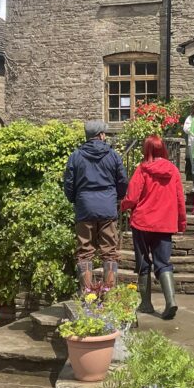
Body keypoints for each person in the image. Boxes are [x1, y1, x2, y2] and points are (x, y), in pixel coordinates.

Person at [120, 135, 187, 320]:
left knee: (143, 264)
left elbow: (132, 197)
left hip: (142, 223)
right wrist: (181, 222)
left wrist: (123, 206)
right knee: (163, 263)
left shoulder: (142, 169)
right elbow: (180, 200)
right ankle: (170, 300)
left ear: (147, 150)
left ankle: (146, 304)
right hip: (165, 224)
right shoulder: (173, 170)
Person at [64, 120, 128, 291]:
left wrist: (76, 200)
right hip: (107, 208)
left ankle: (87, 295)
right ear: (101, 135)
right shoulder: (113, 155)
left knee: (84, 253)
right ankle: (108, 294)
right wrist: (117, 197)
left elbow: (69, 184)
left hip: (85, 208)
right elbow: (122, 181)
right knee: (110, 252)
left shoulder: (75, 156)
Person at [182, 99, 194, 182]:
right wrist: (193, 129)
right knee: (193, 161)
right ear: (193, 109)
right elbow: (185, 128)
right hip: (192, 142)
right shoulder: (190, 118)